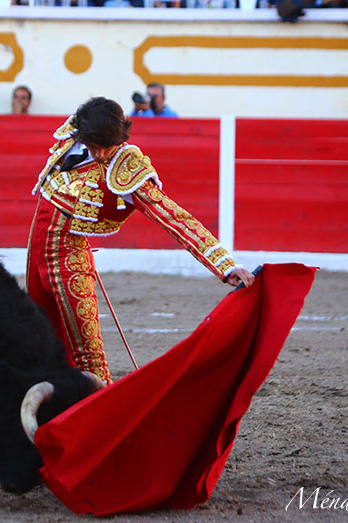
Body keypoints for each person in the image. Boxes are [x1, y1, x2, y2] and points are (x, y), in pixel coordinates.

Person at [26, 97, 254, 382]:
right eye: (93, 147)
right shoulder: (75, 133)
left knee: (89, 355)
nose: (98, 155)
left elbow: (174, 217)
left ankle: (102, 418)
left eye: (103, 148)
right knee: (38, 341)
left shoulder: (128, 169)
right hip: (36, 251)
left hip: (69, 258)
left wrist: (225, 265)